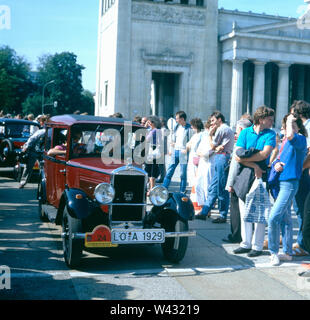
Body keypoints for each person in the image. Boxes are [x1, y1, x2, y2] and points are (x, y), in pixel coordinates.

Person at [232, 106, 276, 257]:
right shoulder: (245, 132)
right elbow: (237, 156)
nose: (272, 122)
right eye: (270, 119)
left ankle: (257, 246)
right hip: (246, 173)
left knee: (260, 210)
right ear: (261, 119)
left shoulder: (271, 134)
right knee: (244, 208)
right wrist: (254, 164)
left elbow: (264, 154)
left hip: (261, 175)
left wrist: (247, 157)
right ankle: (246, 243)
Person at [268, 114, 308, 266]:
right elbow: (278, 158)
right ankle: (287, 252)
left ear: (296, 126)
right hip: (281, 182)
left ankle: (273, 252)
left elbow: (291, 134)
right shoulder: (286, 141)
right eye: (284, 126)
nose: (284, 129)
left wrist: (290, 119)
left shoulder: (299, 139)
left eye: (287, 126)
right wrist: (276, 164)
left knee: (273, 217)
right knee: (285, 219)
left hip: (290, 183)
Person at [195, 111, 234, 223]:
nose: (211, 123)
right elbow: (216, 148)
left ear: (219, 119)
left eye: (213, 120)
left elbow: (212, 146)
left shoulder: (222, 129)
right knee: (213, 187)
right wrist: (217, 147)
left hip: (222, 157)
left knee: (221, 187)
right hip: (220, 157)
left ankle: (222, 215)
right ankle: (205, 211)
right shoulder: (225, 129)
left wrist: (210, 134)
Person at [223, 118, 253, 243]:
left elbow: (234, 166)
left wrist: (230, 184)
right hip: (249, 178)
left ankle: (236, 234)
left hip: (237, 180)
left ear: (240, 129)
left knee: (235, 209)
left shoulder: (240, 142)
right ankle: (247, 235)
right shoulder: (252, 140)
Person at [290, 100, 310, 256]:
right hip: (301, 170)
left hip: (304, 171)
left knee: (303, 209)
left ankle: (303, 244)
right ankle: (301, 241)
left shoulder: (308, 128)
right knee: (299, 208)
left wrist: (299, 167)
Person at [163, 111, 193, 193]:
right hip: (175, 151)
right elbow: (174, 138)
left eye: (177, 119)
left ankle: (182, 191)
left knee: (182, 174)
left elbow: (192, 141)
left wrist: (186, 149)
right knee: (170, 170)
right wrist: (172, 146)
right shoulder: (177, 127)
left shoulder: (189, 128)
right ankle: (164, 188)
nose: (176, 120)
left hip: (183, 153)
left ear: (182, 119)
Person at [19, 116, 49, 188]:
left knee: (28, 167)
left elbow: (32, 139)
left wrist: (26, 147)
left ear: (43, 122)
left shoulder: (41, 131)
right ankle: (43, 182)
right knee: (43, 168)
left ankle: (23, 183)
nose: (40, 123)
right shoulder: (50, 131)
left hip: (34, 151)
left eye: (41, 121)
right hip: (43, 152)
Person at [194, 118, 216, 210]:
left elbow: (208, 152)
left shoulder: (214, 139)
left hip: (209, 164)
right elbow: (198, 151)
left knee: (208, 185)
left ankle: (208, 208)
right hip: (202, 164)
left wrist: (203, 153)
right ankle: (202, 206)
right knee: (198, 184)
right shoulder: (205, 137)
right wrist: (202, 153)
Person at [144, 116, 162, 194]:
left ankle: (151, 189)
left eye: (149, 122)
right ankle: (150, 188)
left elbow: (147, 139)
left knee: (151, 170)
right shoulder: (151, 130)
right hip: (150, 150)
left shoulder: (155, 131)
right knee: (148, 169)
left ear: (153, 123)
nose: (147, 123)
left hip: (152, 150)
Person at [185, 118, 204, 189]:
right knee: (193, 176)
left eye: (192, 125)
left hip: (196, 158)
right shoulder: (196, 135)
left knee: (196, 177)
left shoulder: (201, 135)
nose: (191, 127)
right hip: (193, 157)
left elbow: (191, 145)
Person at [156, 117, 169, 183]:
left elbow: (163, 141)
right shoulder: (161, 129)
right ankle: (163, 177)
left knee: (161, 164)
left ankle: (163, 177)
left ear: (162, 123)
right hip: (161, 149)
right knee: (161, 164)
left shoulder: (163, 130)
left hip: (161, 149)